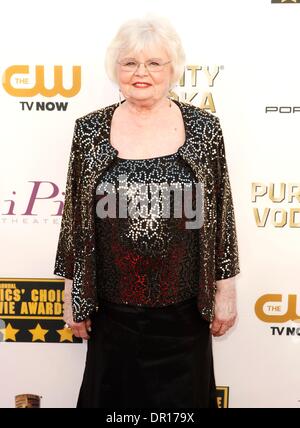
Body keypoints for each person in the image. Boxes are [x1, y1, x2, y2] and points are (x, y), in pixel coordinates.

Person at [54, 15, 240, 408]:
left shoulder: (204, 129)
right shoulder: (89, 130)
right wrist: (73, 293)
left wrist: (226, 288)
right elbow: (74, 219)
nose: (141, 73)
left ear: (173, 70)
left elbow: (220, 212)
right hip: (111, 313)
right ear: (115, 70)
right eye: (130, 63)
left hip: (185, 315)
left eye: (154, 63)